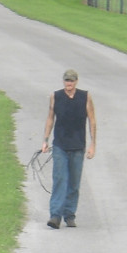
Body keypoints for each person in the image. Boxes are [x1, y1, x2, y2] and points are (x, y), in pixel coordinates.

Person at [41, 68, 97, 228]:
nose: (69, 84)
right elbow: (50, 118)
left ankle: (69, 214)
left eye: (71, 81)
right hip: (60, 145)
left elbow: (92, 121)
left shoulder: (85, 97)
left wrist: (93, 145)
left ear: (76, 82)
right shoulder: (56, 96)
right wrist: (45, 140)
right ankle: (55, 216)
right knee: (60, 179)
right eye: (66, 81)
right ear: (63, 81)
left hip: (78, 145)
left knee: (74, 182)